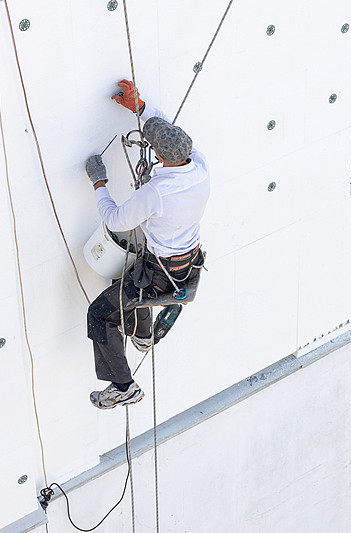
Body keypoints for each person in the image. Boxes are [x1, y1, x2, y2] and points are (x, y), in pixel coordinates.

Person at [84, 79, 210, 410]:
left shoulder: (156, 193)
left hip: (157, 274)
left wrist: (99, 182)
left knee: (99, 313)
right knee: (123, 283)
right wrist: (139, 107)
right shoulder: (199, 164)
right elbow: (169, 131)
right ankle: (141, 335)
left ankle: (122, 386)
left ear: (156, 155)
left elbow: (115, 220)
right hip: (186, 263)